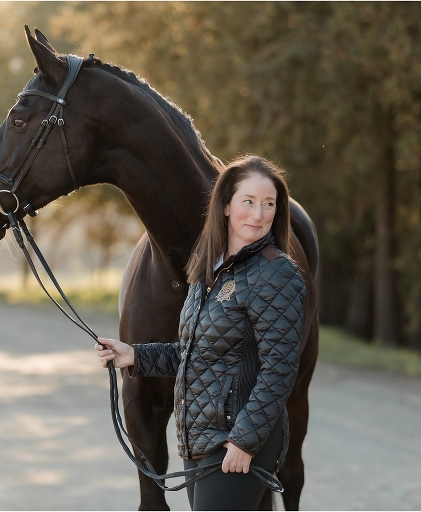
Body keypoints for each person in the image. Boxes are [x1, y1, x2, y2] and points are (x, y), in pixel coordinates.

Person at [96, 155, 306, 511]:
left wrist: (245, 441)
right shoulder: (208, 270)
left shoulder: (276, 272)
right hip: (201, 439)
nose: (258, 214)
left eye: (268, 204)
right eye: (248, 201)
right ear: (226, 205)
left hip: (238, 441)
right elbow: (196, 353)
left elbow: (280, 369)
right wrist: (134, 355)